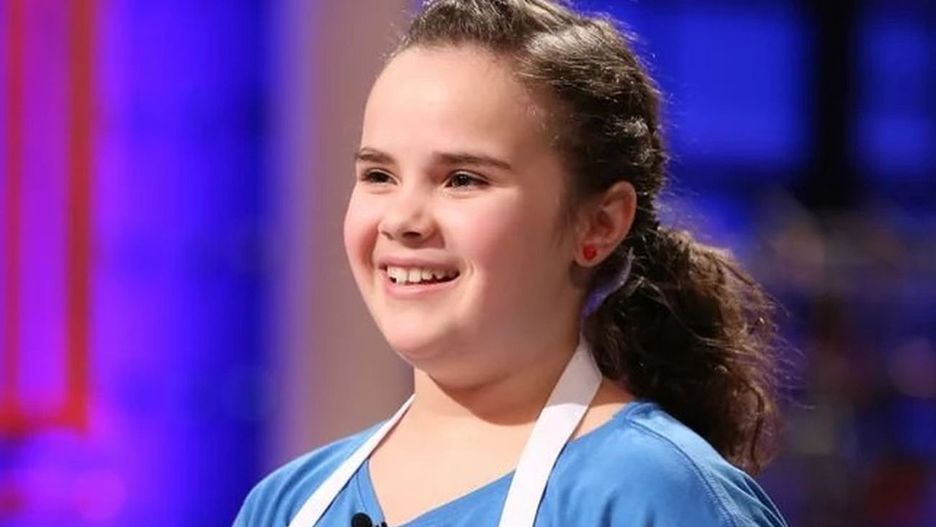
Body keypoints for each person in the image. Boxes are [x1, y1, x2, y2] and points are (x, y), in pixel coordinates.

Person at [234, 0, 787, 525]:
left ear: (599, 225)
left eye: (463, 179)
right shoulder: (289, 505)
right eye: (379, 175)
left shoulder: (655, 496)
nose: (402, 219)